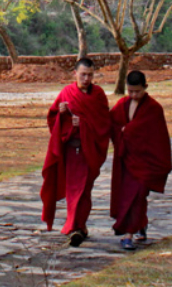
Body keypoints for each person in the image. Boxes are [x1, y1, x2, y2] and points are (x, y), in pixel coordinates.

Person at [40, 57, 111, 247]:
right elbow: (52, 118)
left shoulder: (98, 95)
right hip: (72, 150)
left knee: (84, 190)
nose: (86, 79)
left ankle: (80, 226)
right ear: (75, 74)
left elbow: (104, 123)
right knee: (74, 191)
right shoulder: (67, 92)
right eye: (83, 75)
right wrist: (61, 113)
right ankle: (75, 227)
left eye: (90, 75)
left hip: (90, 151)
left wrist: (84, 124)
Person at [109, 70, 172, 251]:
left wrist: (128, 131)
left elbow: (158, 138)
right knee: (128, 196)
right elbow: (111, 123)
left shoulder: (153, 108)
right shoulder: (122, 104)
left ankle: (128, 234)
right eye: (130, 91)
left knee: (137, 196)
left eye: (137, 91)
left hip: (144, 161)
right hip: (126, 159)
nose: (134, 95)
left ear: (145, 87)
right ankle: (139, 225)